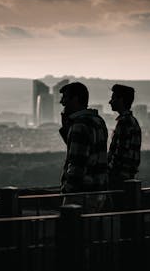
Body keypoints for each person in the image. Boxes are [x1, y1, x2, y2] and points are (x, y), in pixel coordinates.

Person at [58, 82, 108, 212]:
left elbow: (77, 161)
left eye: (65, 98)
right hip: (98, 190)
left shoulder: (79, 125)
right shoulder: (98, 121)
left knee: (75, 229)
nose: (62, 102)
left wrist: (68, 189)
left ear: (75, 99)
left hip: (80, 194)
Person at [108, 84, 141, 190]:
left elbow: (120, 153)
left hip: (119, 177)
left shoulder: (124, 122)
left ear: (121, 100)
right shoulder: (132, 121)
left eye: (113, 98)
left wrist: (110, 172)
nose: (110, 102)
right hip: (127, 176)